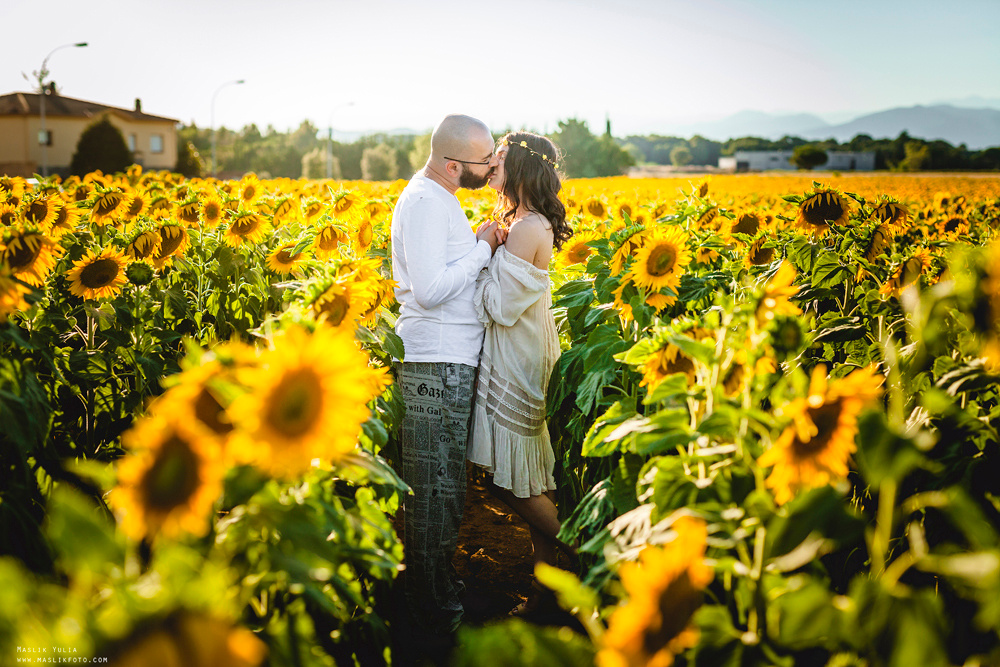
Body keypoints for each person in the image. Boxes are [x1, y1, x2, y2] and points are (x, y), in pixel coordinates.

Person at [389, 114, 504, 639]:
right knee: (434, 492)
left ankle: (436, 592)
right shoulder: (427, 204)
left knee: (444, 487)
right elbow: (431, 289)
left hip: (446, 359)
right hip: (434, 362)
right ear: (454, 164)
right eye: (485, 160)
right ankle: (433, 614)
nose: (491, 167)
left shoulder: (439, 199)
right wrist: (483, 250)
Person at [467, 131, 576, 615]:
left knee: (505, 482)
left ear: (523, 169)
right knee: (530, 471)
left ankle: (589, 552)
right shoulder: (524, 222)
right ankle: (545, 588)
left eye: (500, 159)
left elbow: (498, 306)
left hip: (519, 355)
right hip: (522, 350)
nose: (492, 166)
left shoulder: (529, 228)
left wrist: (480, 251)